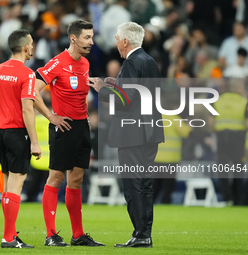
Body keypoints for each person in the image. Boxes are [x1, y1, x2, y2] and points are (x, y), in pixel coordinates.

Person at [89, 22, 164, 248]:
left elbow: (126, 100)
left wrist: (102, 89)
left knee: (133, 185)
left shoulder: (132, 62)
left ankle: (141, 235)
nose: (115, 43)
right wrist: (116, 84)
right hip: (149, 133)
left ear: (125, 41)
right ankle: (144, 233)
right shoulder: (149, 61)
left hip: (133, 134)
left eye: (116, 38)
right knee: (144, 184)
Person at [34, 20, 104, 247]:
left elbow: (76, 90)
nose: (91, 42)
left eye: (92, 37)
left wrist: (94, 84)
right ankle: (50, 235)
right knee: (55, 178)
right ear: (73, 38)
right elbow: (33, 90)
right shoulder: (57, 63)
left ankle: (78, 235)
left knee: (76, 180)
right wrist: (50, 116)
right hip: (63, 127)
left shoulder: (84, 63)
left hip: (82, 127)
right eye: (87, 38)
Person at [0, 29, 41, 248]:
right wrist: (35, 142)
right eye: (32, 44)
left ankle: (10, 234)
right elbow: (28, 109)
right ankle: (8, 237)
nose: (33, 48)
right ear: (26, 47)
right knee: (16, 186)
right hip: (17, 134)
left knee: (8, 185)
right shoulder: (27, 73)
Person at [210, 79, 248, 205]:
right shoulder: (244, 102)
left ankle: (227, 197)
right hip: (237, 138)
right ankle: (237, 198)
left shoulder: (218, 101)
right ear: (238, 88)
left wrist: (217, 133)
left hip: (222, 138)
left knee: (222, 168)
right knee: (238, 168)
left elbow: (211, 121)